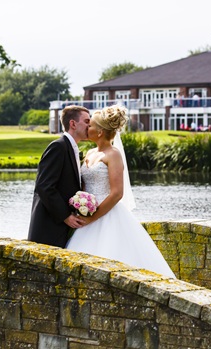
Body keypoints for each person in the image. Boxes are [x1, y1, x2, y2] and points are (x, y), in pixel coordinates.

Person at [66, 105, 175, 278]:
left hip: (106, 214)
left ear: (100, 132)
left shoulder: (113, 154)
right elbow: (84, 187)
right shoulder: (90, 153)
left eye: (91, 126)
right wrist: (81, 207)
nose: (88, 128)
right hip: (87, 214)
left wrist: (93, 217)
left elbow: (117, 193)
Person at [27, 105, 90, 247]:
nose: (90, 125)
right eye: (86, 121)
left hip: (61, 228)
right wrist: (66, 217)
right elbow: (44, 186)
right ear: (73, 124)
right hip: (48, 227)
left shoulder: (72, 148)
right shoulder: (58, 147)